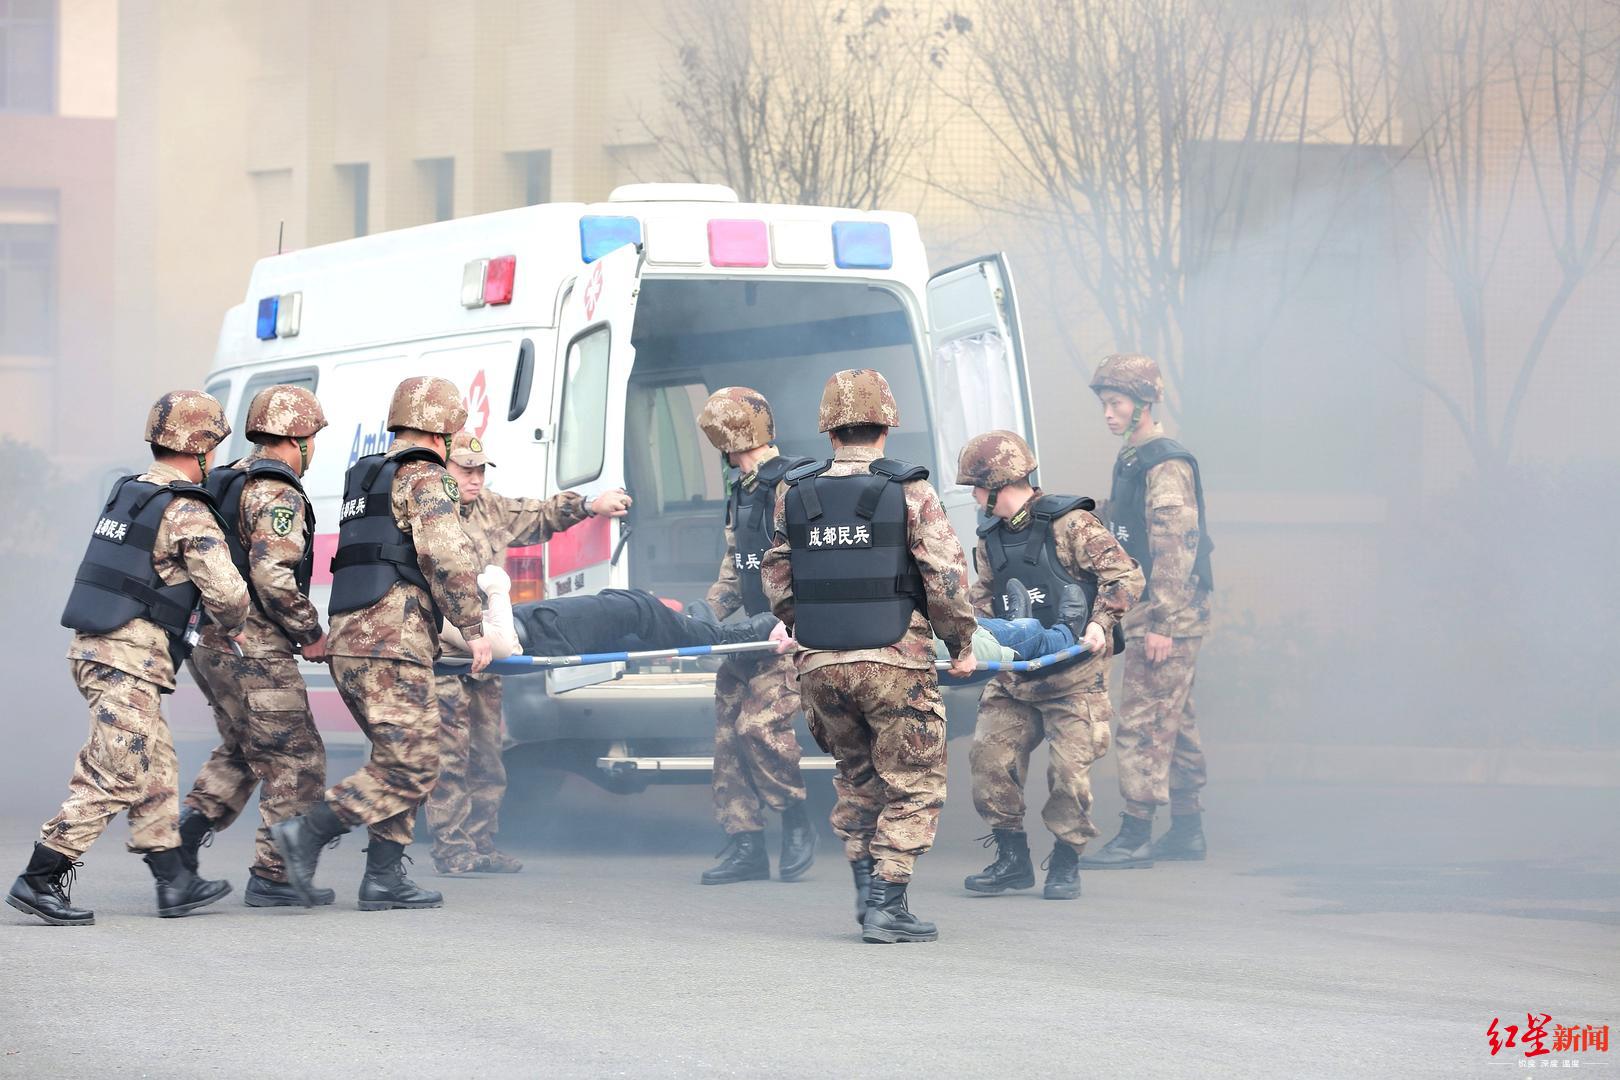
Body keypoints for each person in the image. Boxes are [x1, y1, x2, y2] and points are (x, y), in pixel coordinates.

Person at [8, 391, 249, 925]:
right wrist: (231, 629)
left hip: (98, 649)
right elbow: (229, 595)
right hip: (129, 659)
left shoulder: (131, 495)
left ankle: (174, 880)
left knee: (155, 762)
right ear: (202, 447)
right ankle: (41, 876)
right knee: (116, 769)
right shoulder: (187, 510)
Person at [761, 368, 978, 944]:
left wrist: (804, 628)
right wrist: (959, 643)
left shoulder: (795, 490)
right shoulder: (908, 489)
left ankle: (865, 890)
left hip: (819, 665)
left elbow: (777, 577)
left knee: (856, 775)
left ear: (829, 430)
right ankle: (887, 902)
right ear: (886, 425)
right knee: (913, 781)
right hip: (894, 662)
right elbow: (947, 576)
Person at [270, 376, 491, 911]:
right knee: (415, 763)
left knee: (398, 756)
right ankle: (309, 833)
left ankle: (384, 878)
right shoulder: (424, 477)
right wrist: (474, 627)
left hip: (351, 638)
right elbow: (448, 558)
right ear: (444, 428)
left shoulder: (368, 475)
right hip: (391, 643)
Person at [427, 430, 630, 876]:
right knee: (448, 758)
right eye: (466, 470)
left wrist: (588, 504)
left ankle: (481, 844)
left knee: (488, 754)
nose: (475, 479)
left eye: (481, 470)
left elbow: (538, 514)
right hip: (446, 653)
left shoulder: (492, 508)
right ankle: (452, 849)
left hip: (489, 652)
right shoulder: (428, 512)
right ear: (444, 467)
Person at [958, 430, 1144, 900]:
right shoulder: (990, 538)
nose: (976, 498)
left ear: (998, 483)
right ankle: (1012, 859)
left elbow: (1125, 575)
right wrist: (967, 648)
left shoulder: (1071, 524)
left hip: (1074, 677)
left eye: (977, 487)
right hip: (1016, 677)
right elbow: (981, 600)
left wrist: (1101, 621)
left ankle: (1066, 859)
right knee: (989, 761)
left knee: (1068, 777)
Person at [175, 384, 333, 908]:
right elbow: (273, 577)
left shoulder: (226, 479)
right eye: (314, 438)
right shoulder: (276, 492)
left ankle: (179, 844)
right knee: (296, 755)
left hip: (209, 642)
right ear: (299, 437)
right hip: (254, 646)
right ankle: (275, 876)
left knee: (244, 750)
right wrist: (311, 633)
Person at [1082, 354, 1215, 869]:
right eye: (1104, 405)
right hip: (1161, 610)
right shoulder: (1134, 458)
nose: (1108, 414)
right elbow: (1125, 520)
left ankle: (1135, 833)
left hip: (1168, 614)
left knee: (1141, 721)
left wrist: (1162, 622)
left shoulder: (1165, 462)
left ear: (1143, 403)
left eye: (1115, 404)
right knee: (1175, 721)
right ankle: (1188, 828)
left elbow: (1175, 546)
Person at [692, 387, 815, 886]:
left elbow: (811, 561)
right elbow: (733, 568)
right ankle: (744, 843)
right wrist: (703, 615)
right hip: (746, 635)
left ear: (727, 438)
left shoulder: (792, 486)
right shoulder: (742, 491)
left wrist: (799, 623)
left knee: (757, 728)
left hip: (786, 636)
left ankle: (795, 818)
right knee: (727, 738)